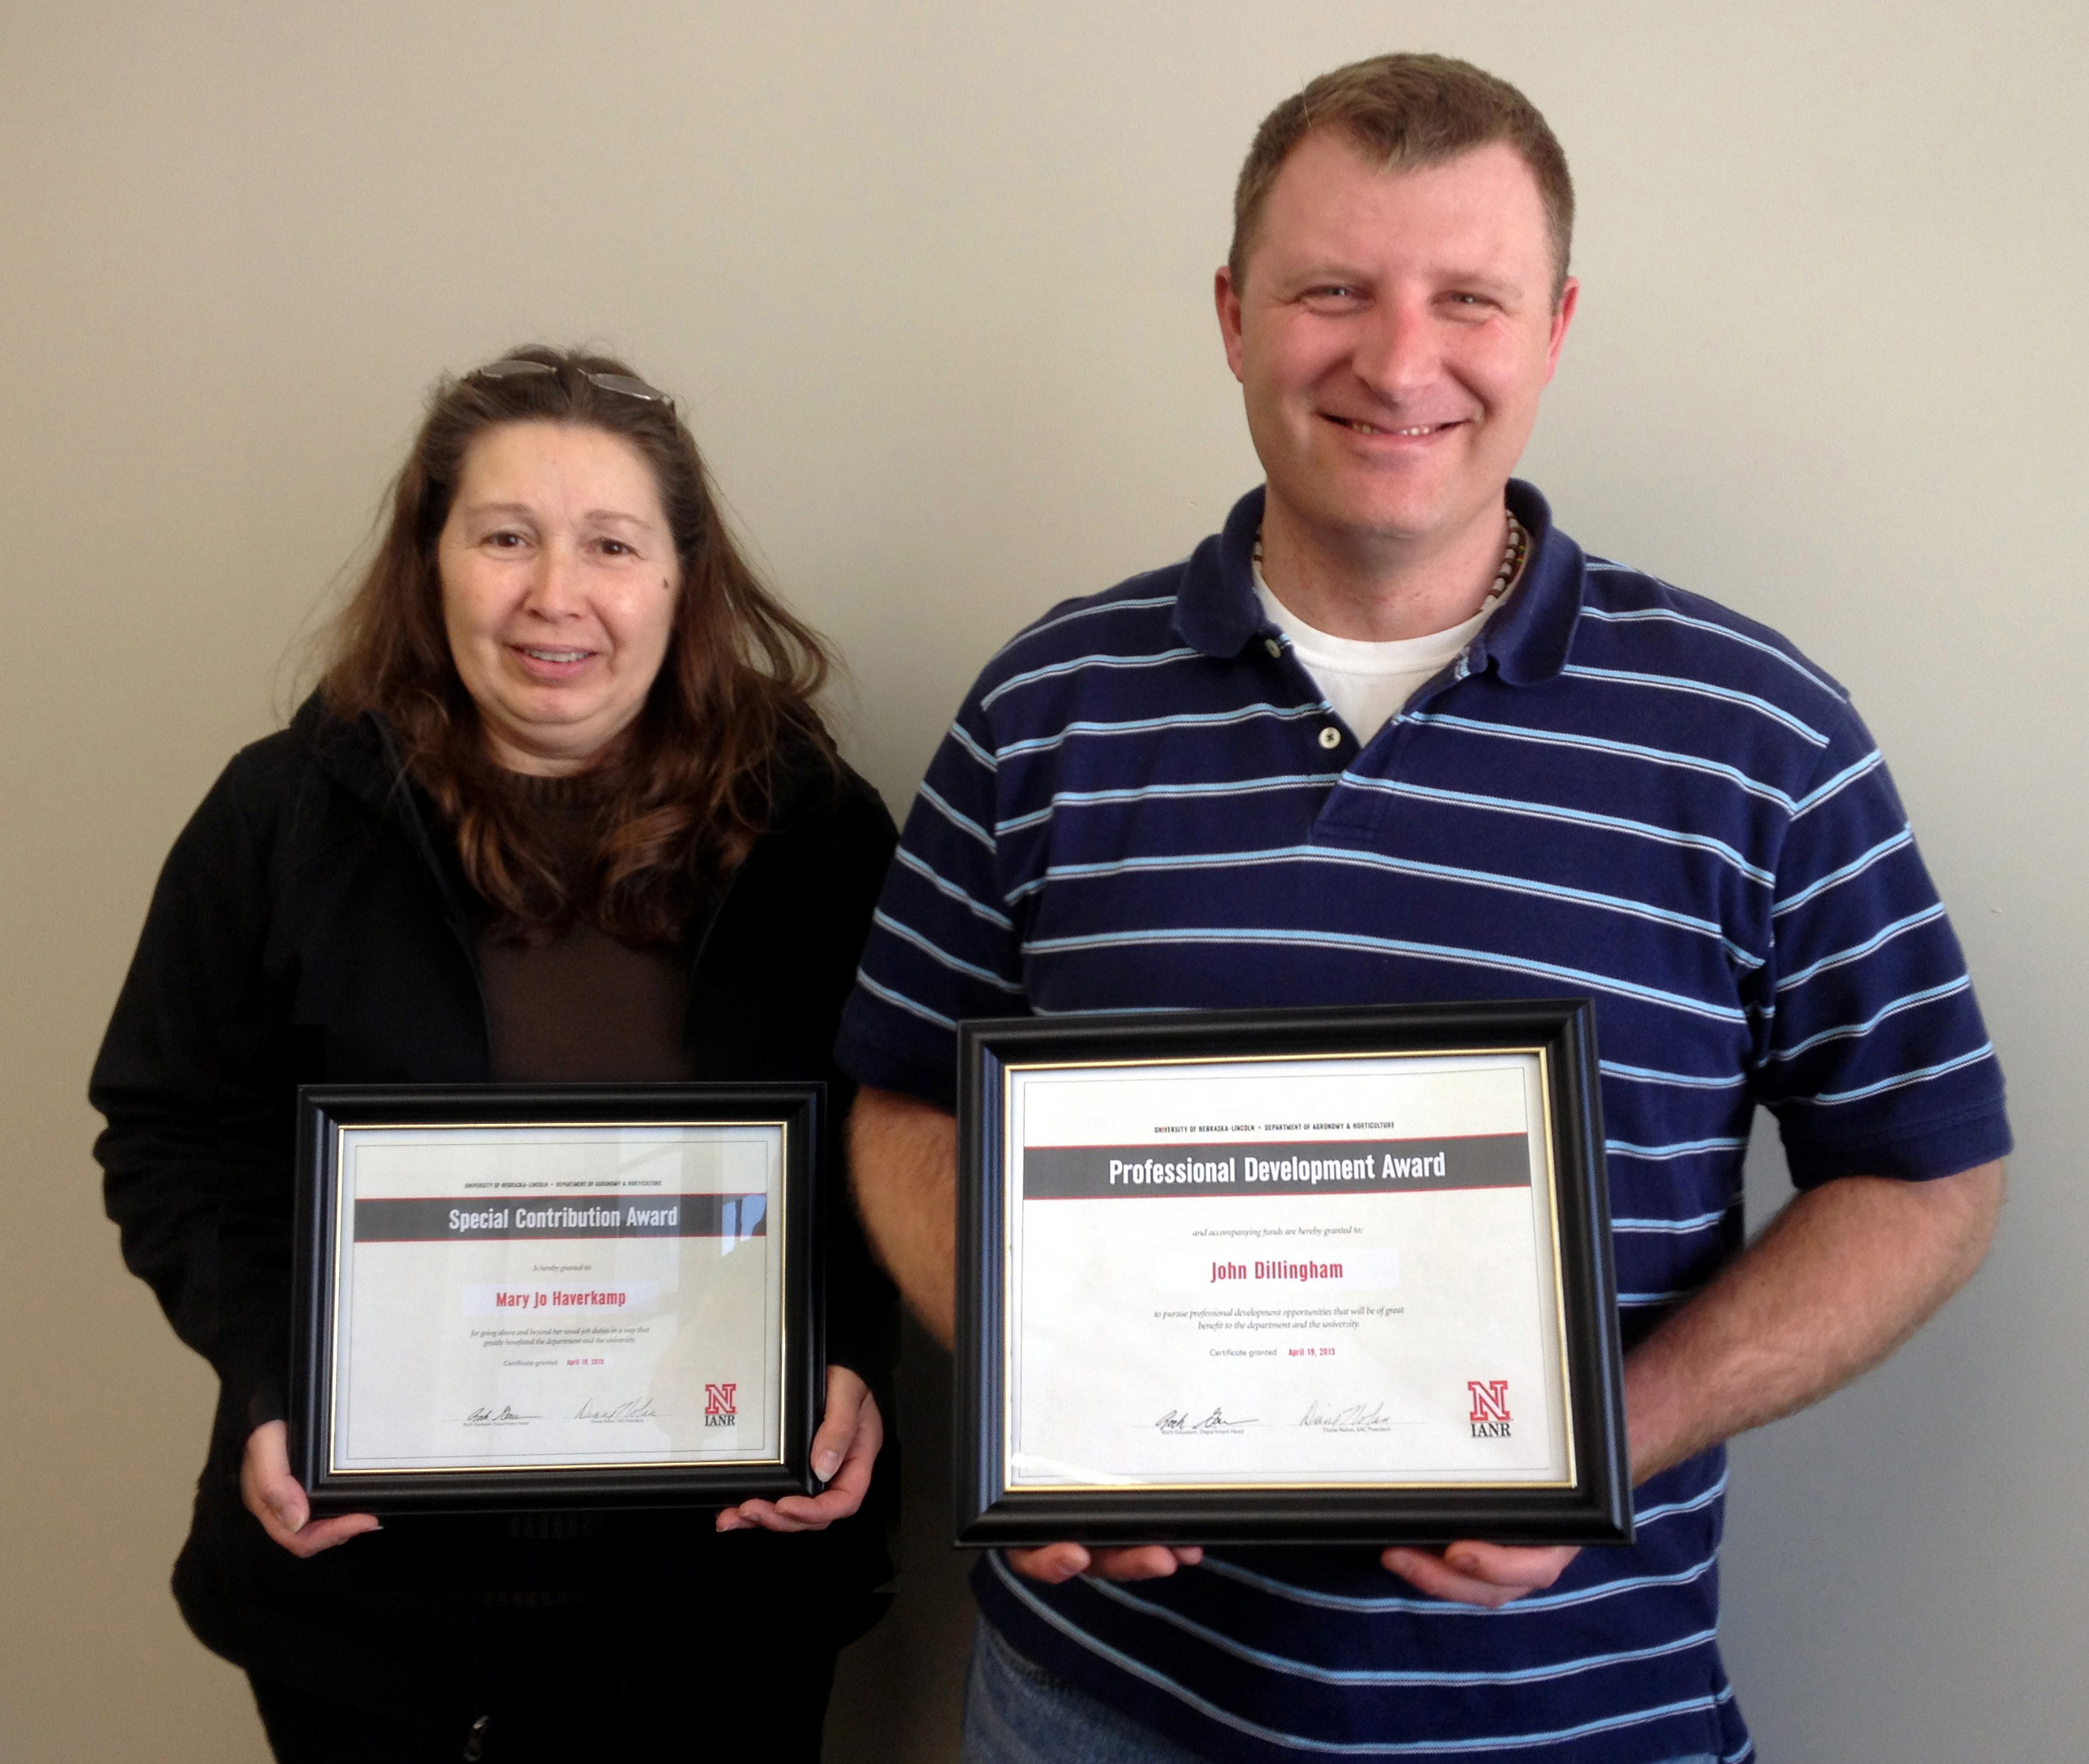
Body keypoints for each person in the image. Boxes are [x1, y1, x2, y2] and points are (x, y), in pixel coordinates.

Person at [836, 53, 2009, 1764]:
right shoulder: (1049, 708)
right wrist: (1043, 1396)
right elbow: (900, 1099)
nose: (1399, 362)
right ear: (1234, 315)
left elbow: (1926, 1172)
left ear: (1555, 326)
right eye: (1332, 291)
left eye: (1469, 298)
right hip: (1099, 1708)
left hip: (1571, 1719)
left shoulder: (1760, 738)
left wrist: (1616, 1423)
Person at [91, 346, 899, 1762]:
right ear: (433, 561)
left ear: (680, 579)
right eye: (505, 538)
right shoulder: (282, 817)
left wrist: (839, 1356)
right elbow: (174, 1131)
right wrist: (277, 1372)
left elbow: (890, 1132)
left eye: (610, 544)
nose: (553, 595)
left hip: (722, 1584)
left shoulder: (810, 827)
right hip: (372, 1600)